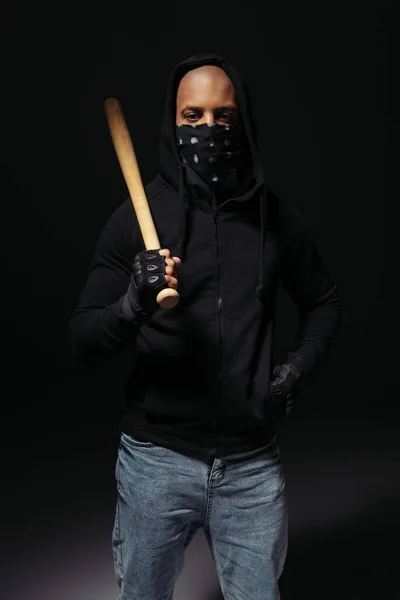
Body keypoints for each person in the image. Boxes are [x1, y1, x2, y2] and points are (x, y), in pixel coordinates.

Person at [69, 53, 341, 600]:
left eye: (223, 116)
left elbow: (325, 302)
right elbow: (82, 339)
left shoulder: (278, 221)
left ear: (243, 123)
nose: (208, 129)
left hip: (251, 468)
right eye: (192, 116)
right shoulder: (134, 219)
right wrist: (132, 304)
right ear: (173, 125)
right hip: (155, 462)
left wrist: (298, 365)